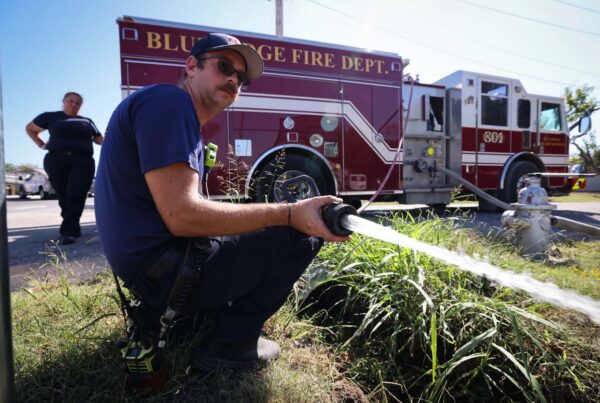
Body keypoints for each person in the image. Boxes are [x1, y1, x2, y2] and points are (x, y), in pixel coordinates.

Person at [95, 33, 348, 372]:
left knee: (260, 229)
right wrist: (289, 214)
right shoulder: (171, 103)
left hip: (151, 273)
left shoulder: (168, 110)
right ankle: (231, 345)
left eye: (241, 78)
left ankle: (192, 321)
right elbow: (182, 216)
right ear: (191, 66)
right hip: (165, 272)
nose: (233, 79)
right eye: (224, 66)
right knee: (301, 235)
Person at [26, 92, 104, 245]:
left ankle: (67, 231)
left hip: (83, 161)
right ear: (64, 101)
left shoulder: (87, 122)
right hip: (56, 160)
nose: (74, 104)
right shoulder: (51, 117)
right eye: (71, 101)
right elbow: (30, 128)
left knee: (77, 194)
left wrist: (116, 134)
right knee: (64, 196)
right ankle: (72, 226)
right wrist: (40, 144)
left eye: (78, 103)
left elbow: (99, 140)